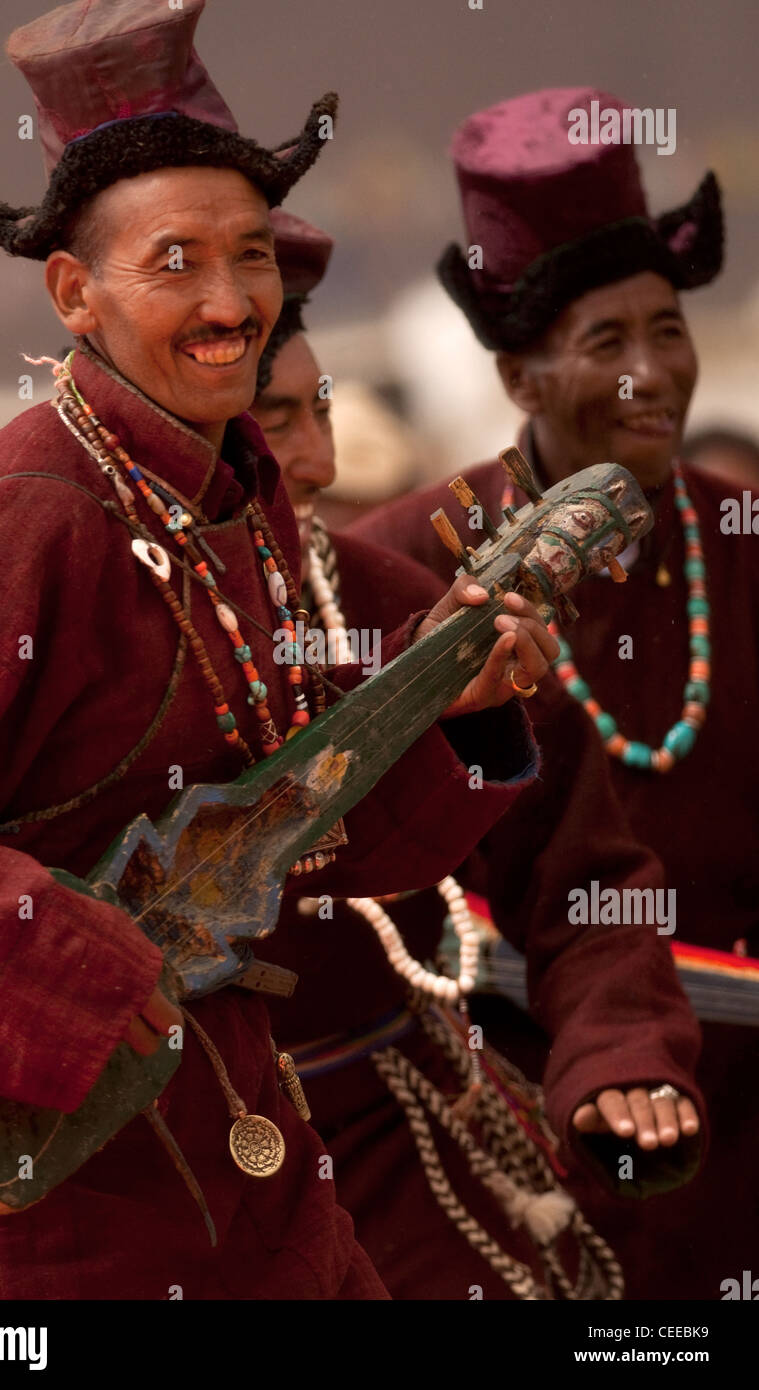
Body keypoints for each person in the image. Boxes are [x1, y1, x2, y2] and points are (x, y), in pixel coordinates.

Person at [0, 2, 561, 1301]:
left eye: (250, 257)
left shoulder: (222, 495)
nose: (225, 303)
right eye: (174, 262)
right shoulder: (20, 513)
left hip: (239, 1158)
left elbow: (293, 838)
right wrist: (67, 968)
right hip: (50, 1204)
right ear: (73, 293)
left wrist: (450, 707)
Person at [248, 209, 706, 1301]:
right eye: (272, 420)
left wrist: (614, 1050)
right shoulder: (72, 605)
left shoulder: (391, 597)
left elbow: (582, 875)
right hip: (137, 1166)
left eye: (319, 412)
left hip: (399, 1138)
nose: (317, 457)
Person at [352, 86, 759, 1300]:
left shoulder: (742, 543)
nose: (650, 374)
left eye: (667, 330)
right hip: (499, 1124)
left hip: (743, 1124)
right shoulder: (406, 562)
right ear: (520, 380)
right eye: (603, 344)